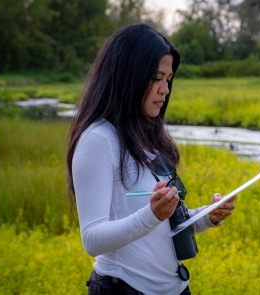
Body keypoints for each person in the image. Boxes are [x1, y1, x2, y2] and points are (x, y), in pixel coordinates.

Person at [66, 23, 237, 295]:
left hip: (176, 289)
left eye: (168, 79)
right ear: (128, 77)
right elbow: (93, 239)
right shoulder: (99, 140)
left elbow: (169, 223)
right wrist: (152, 214)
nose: (165, 89)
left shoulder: (149, 137)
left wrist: (208, 216)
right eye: (156, 78)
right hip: (124, 289)